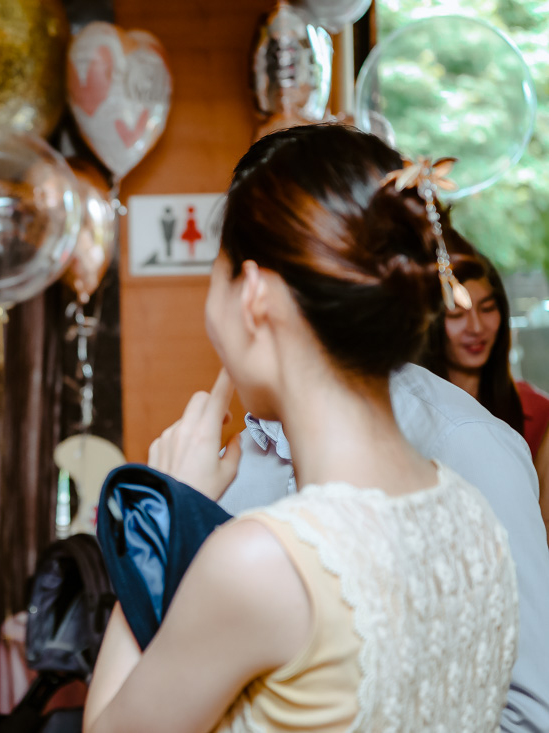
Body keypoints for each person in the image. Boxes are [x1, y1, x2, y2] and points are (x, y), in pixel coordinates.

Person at [83, 124, 520, 732]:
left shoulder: (261, 563)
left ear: (254, 294)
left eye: (218, 267)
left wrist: (161, 510)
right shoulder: (473, 522)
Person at [416, 235, 549, 550]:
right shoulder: (410, 415)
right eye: (456, 314)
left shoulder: (539, 412)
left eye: (487, 308)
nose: (475, 327)